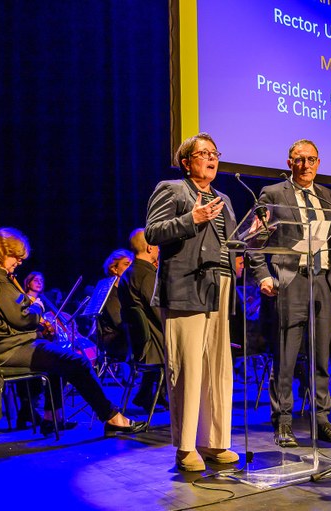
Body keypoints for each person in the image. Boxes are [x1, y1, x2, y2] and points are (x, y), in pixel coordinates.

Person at [0, 227, 146, 436]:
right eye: (16, 256)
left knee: (58, 356)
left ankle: (52, 418)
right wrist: (37, 308)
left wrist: (35, 320)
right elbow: (22, 318)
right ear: (1, 252)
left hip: (2, 345)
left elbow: (9, 316)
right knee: (77, 361)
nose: (19, 262)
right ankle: (112, 417)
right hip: (5, 349)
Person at [145, 132, 239, 472]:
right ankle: (186, 447)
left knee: (217, 369)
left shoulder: (224, 199)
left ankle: (213, 441)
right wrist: (191, 219)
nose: (212, 158)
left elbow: (232, 243)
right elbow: (153, 232)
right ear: (187, 162)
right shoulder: (171, 189)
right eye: (204, 153)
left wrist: (256, 235)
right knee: (187, 368)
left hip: (221, 284)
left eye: (215, 153)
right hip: (186, 284)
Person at [249, 138, 331, 448]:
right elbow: (254, 240)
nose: (305, 165)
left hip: (324, 283)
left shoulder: (327, 195)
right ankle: (283, 422)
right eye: (299, 159)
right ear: (289, 163)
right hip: (290, 284)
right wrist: (263, 275)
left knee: (321, 356)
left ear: (318, 163)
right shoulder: (272, 194)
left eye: (311, 159)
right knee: (286, 357)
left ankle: (322, 419)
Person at [117, 228, 167, 413]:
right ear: (149, 248)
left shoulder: (128, 274)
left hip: (139, 342)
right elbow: (158, 311)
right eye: (156, 245)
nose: (159, 249)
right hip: (153, 344)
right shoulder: (146, 274)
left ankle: (146, 395)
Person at [96, 249, 133, 362]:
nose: (131, 268)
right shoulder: (109, 292)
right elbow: (118, 321)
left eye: (132, 265)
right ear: (114, 268)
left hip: (124, 334)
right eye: (126, 264)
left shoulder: (126, 289)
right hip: (114, 338)